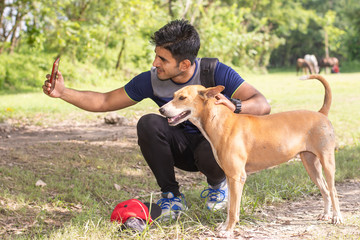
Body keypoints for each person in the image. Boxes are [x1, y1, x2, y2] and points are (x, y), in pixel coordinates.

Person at [42, 19, 271, 220]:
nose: (155, 63)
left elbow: (262, 104)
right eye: (156, 56)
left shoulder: (215, 71)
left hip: (213, 150)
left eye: (162, 59)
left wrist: (236, 104)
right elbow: (104, 101)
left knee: (208, 148)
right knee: (148, 123)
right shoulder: (152, 80)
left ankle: (217, 185)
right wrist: (63, 93)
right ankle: (171, 196)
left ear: (184, 64)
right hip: (180, 148)